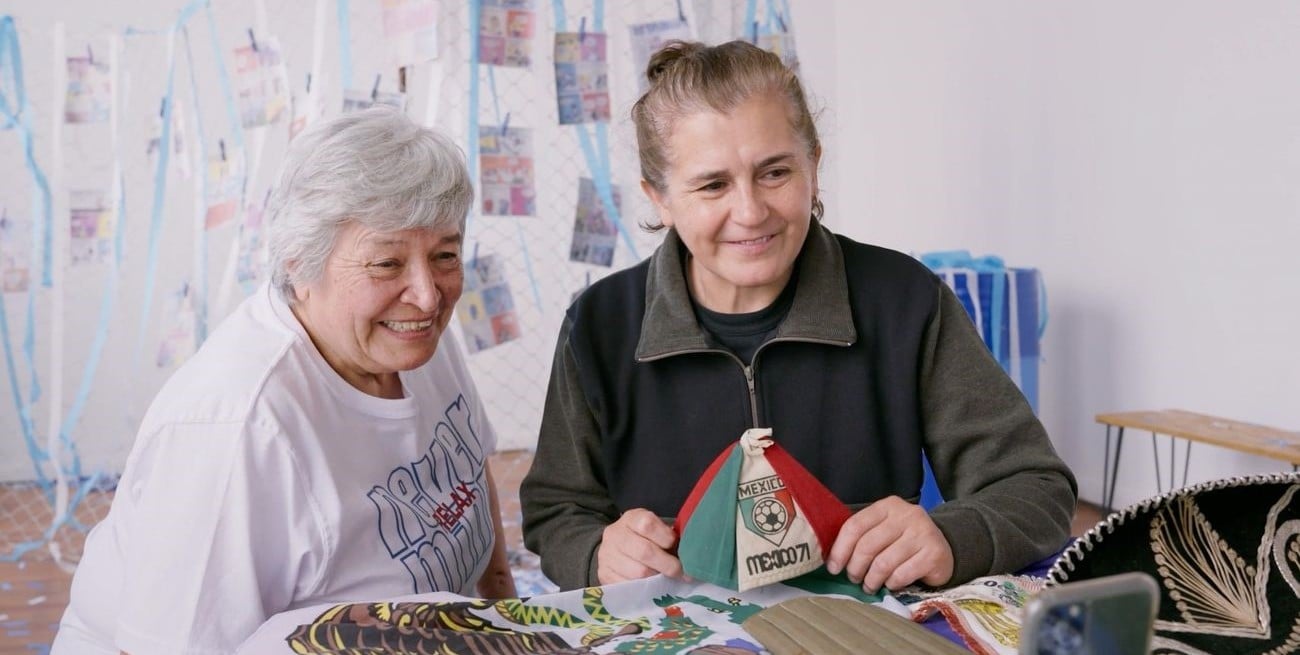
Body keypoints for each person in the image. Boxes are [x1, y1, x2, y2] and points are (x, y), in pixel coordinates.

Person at [520, 40, 1077, 593]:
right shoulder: (599, 325)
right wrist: (597, 553)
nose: (750, 211)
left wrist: (953, 536)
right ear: (659, 199)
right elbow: (556, 511)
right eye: (713, 184)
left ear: (814, 165)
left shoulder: (905, 300)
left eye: (775, 173)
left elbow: (1036, 486)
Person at [53, 107, 516, 655]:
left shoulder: (411, 338)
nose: (428, 294)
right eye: (386, 264)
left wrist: (504, 620)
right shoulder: (235, 426)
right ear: (300, 265)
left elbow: (466, 478)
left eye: (445, 255)